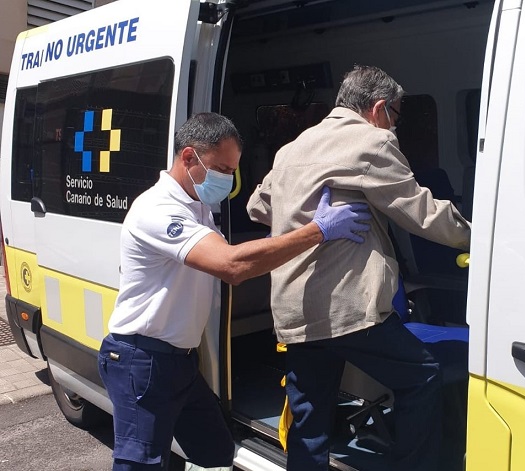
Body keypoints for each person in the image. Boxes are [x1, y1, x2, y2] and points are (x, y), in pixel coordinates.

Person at [97, 112, 371, 471]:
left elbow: (246, 257)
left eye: (233, 171)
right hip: (141, 360)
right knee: (141, 465)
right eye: (222, 169)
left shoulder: (196, 206)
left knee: (215, 452)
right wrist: (318, 230)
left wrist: (299, 231)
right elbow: (232, 266)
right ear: (189, 158)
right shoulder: (158, 209)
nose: (227, 179)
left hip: (178, 362)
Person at [246, 65, 471, 471]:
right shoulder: (371, 142)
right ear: (379, 108)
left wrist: (306, 216)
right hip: (348, 310)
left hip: (296, 309)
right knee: (421, 376)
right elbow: (420, 213)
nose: (395, 126)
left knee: (310, 418)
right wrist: (481, 238)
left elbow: (258, 207)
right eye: (396, 116)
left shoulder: (294, 147)